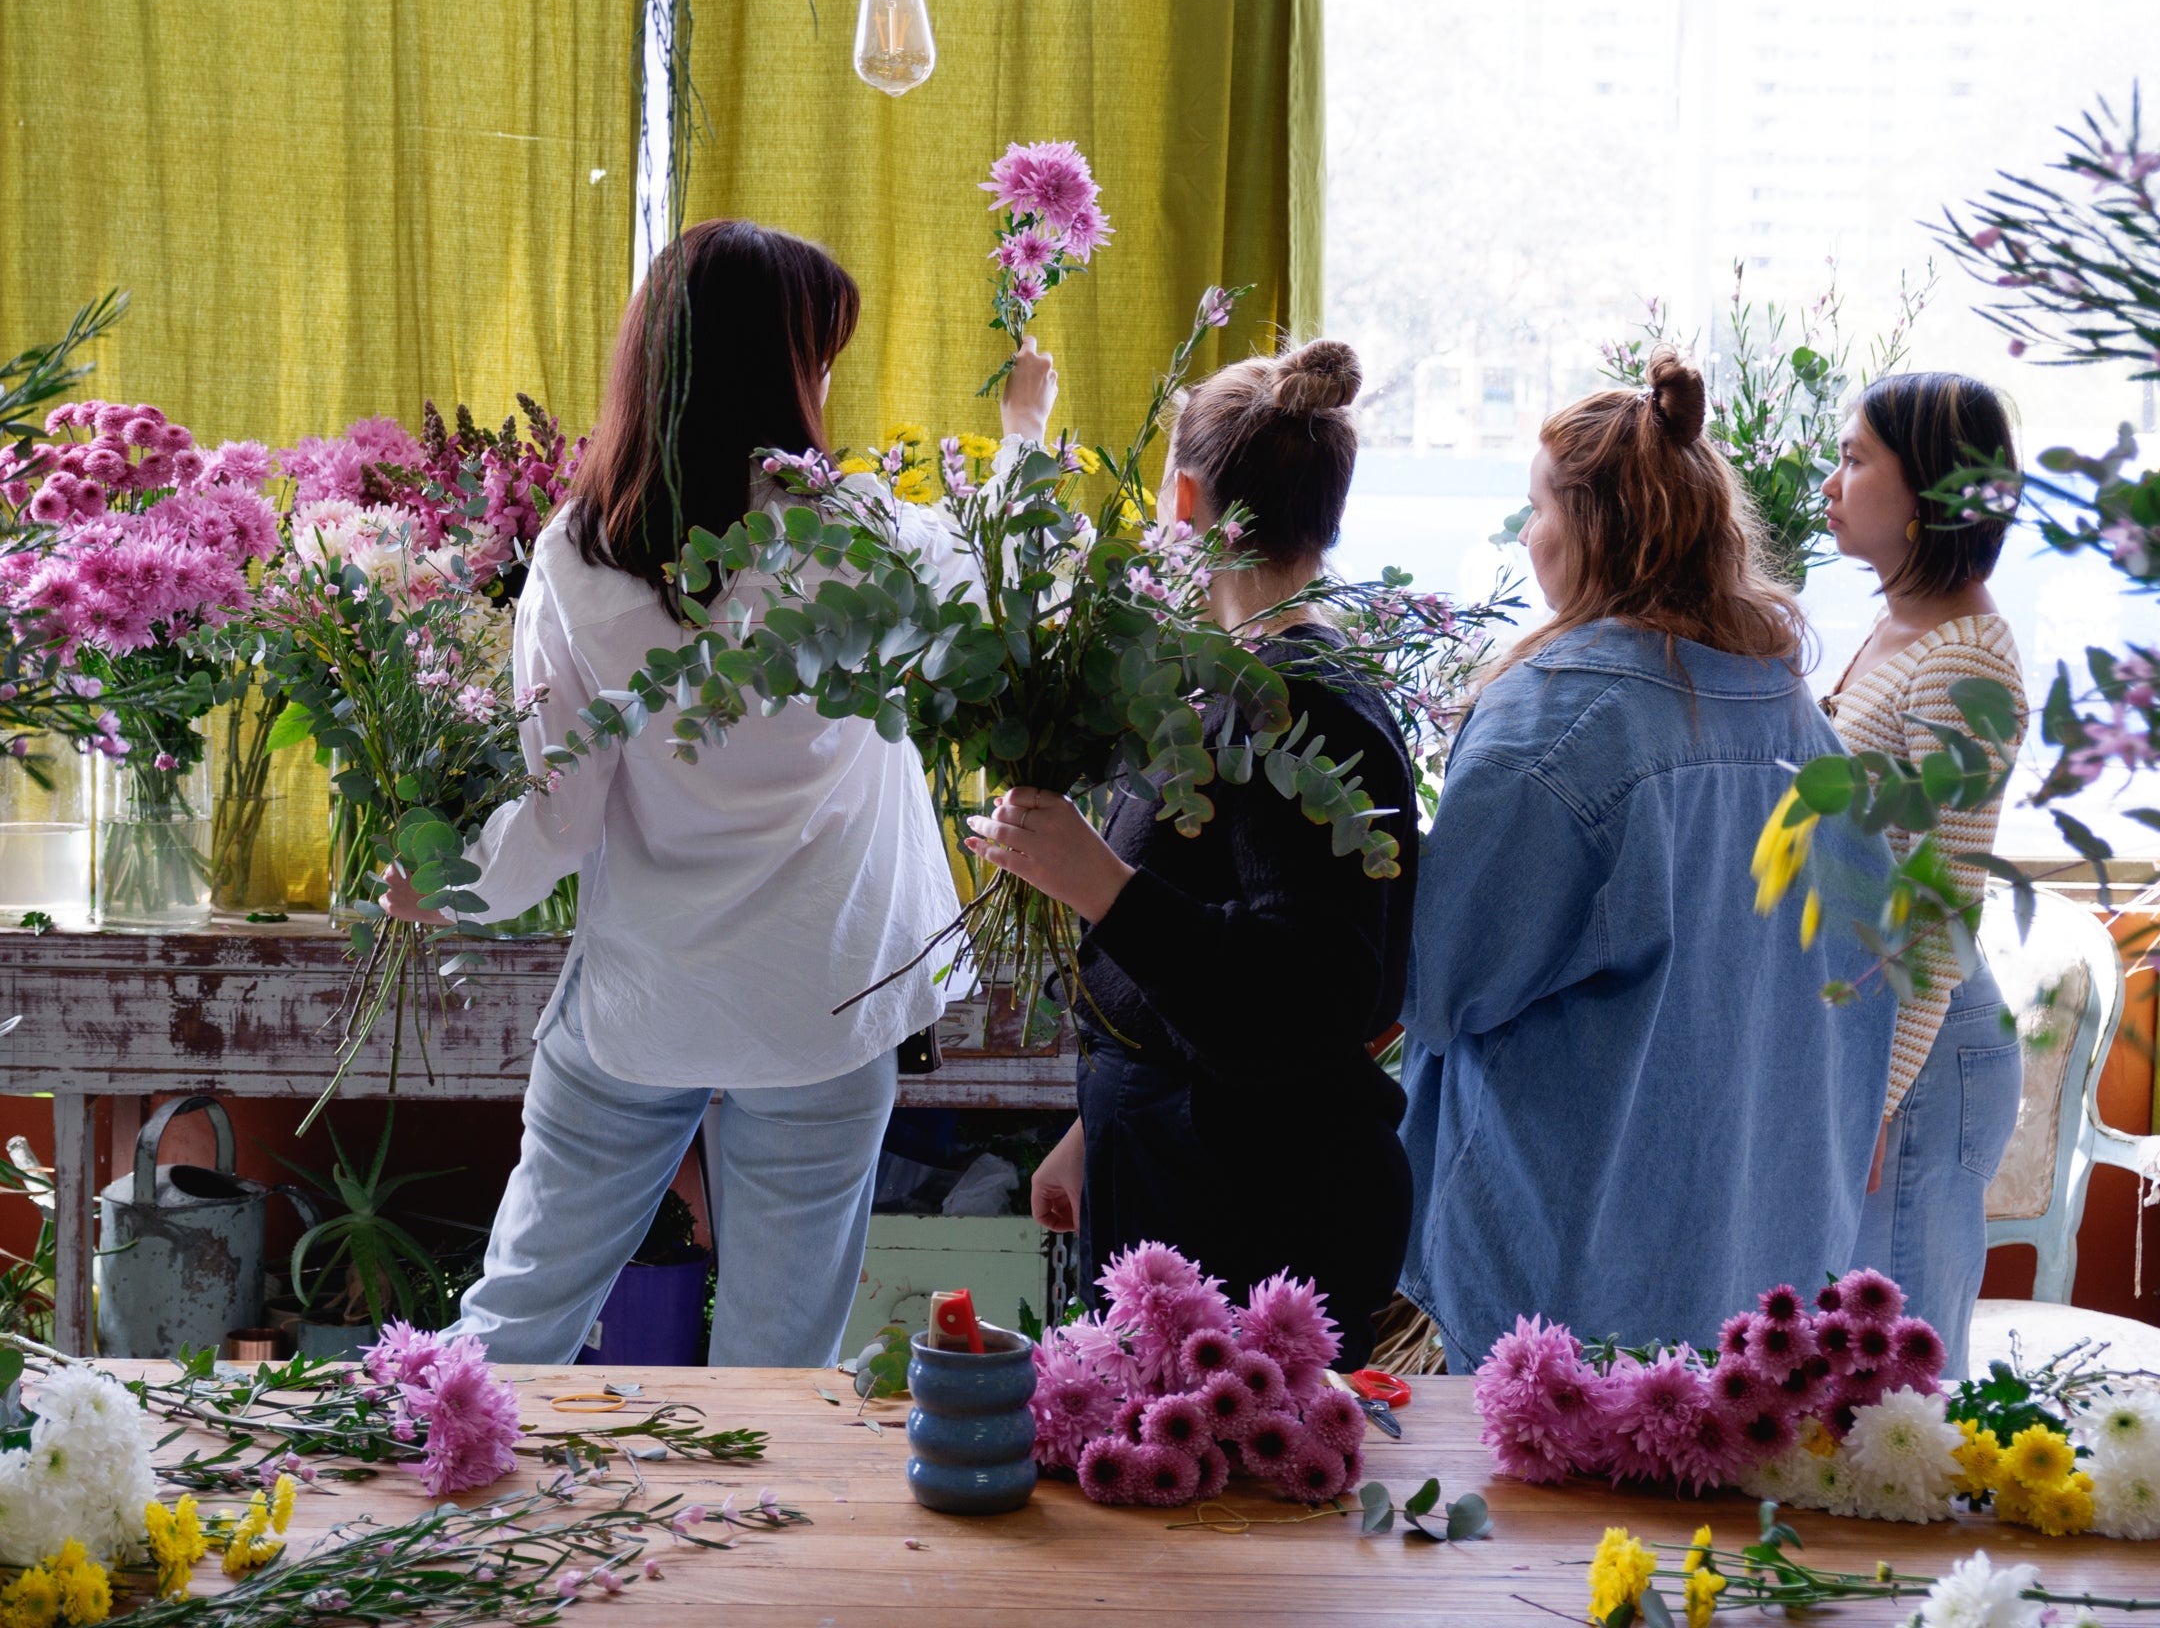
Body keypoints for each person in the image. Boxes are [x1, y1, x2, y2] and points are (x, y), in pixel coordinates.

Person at [384, 218, 1059, 1367]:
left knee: (517, 1319)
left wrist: (453, 890)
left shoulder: (582, 554)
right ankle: (748, 1548)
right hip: (825, 1000)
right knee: (778, 1370)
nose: (831, 378)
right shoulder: (863, 541)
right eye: (821, 354)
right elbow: (1013, 578)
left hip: (644, 1001)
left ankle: (429, 1493)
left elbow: (558, 808)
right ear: (784, 374)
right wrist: (1025, 434)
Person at [1396, 350, 1897, 1369]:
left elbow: (1439, 988)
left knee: (1550, 1528)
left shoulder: (1553, 726)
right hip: (1763, 1277)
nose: (1528, 536)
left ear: (1593, 530)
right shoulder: (1798, 721)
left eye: (1537, 510)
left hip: (1564, 1291)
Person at [969, 339, 1418, 1370]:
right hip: (1175, 1169)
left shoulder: (1299, 705)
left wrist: (1098, 884)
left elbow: (1308, 992)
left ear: (1182, 500)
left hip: (1257, 1212)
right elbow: (1197, 979)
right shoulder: (1231, 678)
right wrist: (1097, 1130)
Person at [1820, 371, 2027, 1376]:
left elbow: (1938, 906)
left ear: (1930, 491)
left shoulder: (1965, 665)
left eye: (1856, 458)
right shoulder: (1902, 624)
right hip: (1885, 1037)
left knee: (1893, 1397)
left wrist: (1876, 1098)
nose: (1831, 479)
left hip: (1924, 1056)